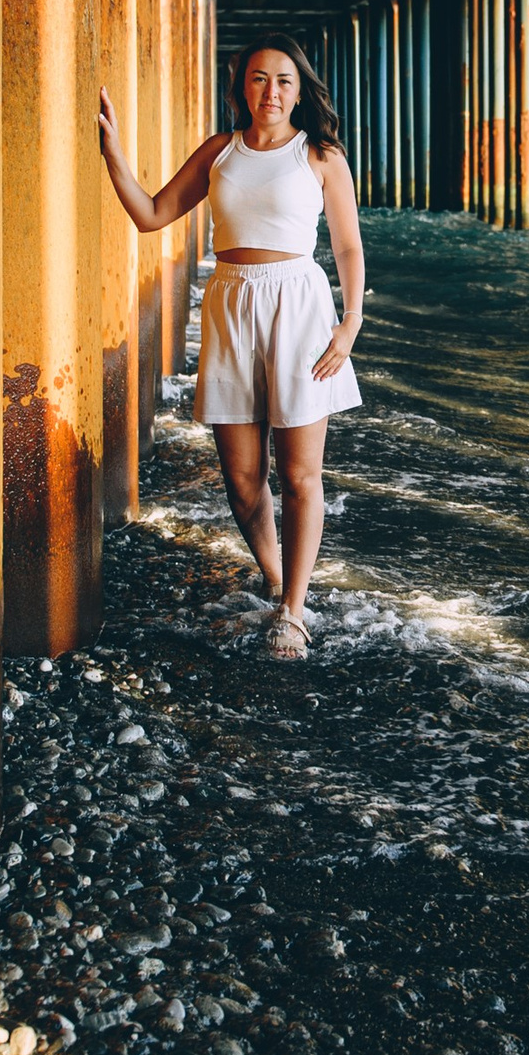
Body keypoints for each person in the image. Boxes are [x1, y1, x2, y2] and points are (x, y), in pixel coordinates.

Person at [96, 35, 363, 659]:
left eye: (284, 81)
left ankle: (293, 612)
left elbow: (347, 247)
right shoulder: (221, 151)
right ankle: (276, 577)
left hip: (297, 304)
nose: (271, 91)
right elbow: (152, 214)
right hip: (230, 302)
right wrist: (114, 156)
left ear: (300, 91)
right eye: (259, 79)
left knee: (298, 474)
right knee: (242, 480)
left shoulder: (320, 155)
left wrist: (349, 323)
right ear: (241, 85)